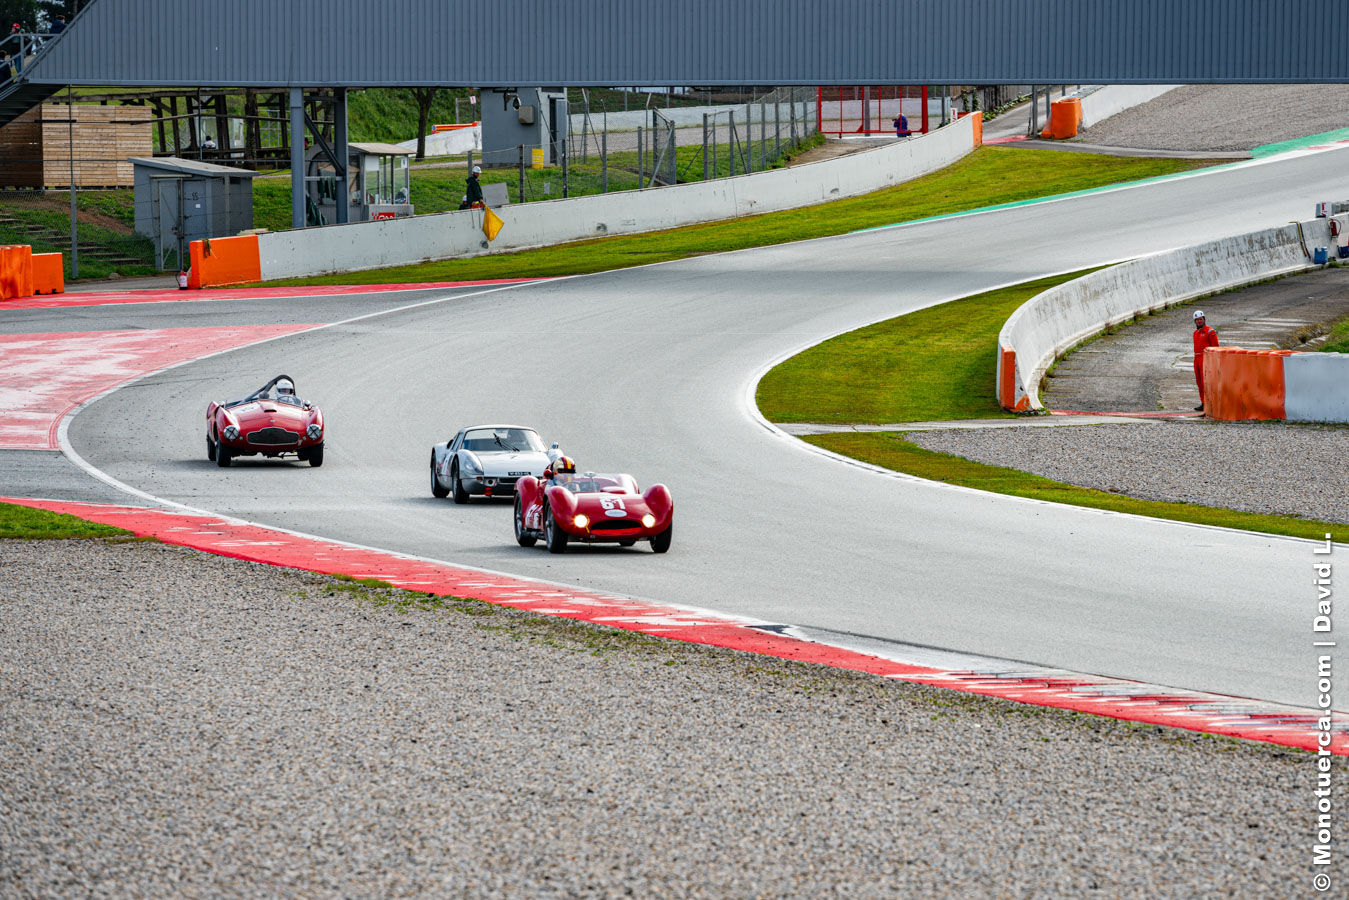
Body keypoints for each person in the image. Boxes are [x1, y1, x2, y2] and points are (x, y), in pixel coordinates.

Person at [1191, 310, 1219, 412]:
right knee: (1199, 382)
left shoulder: (1210, 332)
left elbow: (1216, 347)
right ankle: (1203, 402)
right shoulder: (1195, 333)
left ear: (1204, 319)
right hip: (1197, 359)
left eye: (1200, 319)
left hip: (1206, 359)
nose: (1199, 321)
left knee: (1205, 382)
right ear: (1195, 321)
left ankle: (1210, 403)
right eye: (1197, 320)